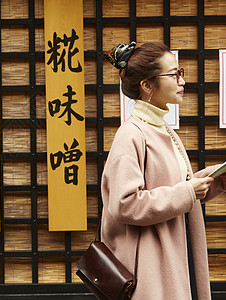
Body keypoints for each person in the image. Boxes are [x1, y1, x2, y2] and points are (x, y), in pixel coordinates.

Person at [102, 41, 226, 299]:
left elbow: (175, 188)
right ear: (147, 85)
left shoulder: (161, 129)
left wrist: (216, 179)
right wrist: (187, 192)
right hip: (152, 268)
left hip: (174, 256)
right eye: (173, 74)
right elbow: (124, 204)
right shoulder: (131, 135)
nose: (181, 81)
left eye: (180, 72)